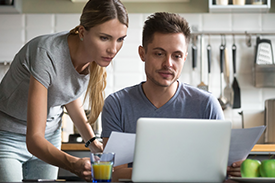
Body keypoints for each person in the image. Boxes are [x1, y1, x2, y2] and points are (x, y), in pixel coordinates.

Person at [101, 12, 242, 182]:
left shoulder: (206, 104)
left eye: (177, 56)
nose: (168, 63)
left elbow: (221, 172)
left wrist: (236, 170)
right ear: (142, 53)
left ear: (185, 58)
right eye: (159, 54)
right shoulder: (117, 104)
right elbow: (113, 173)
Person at [0, 0, 128, 182]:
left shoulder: (95, 57)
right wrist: (73, 163)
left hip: (49, 137)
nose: (113, 49)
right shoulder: (46, 53)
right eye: (104, 38)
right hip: (7, 136)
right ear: (83, 32)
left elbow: (68, 95)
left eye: (120, 39)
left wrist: (93, 144)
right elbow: (34, 139)